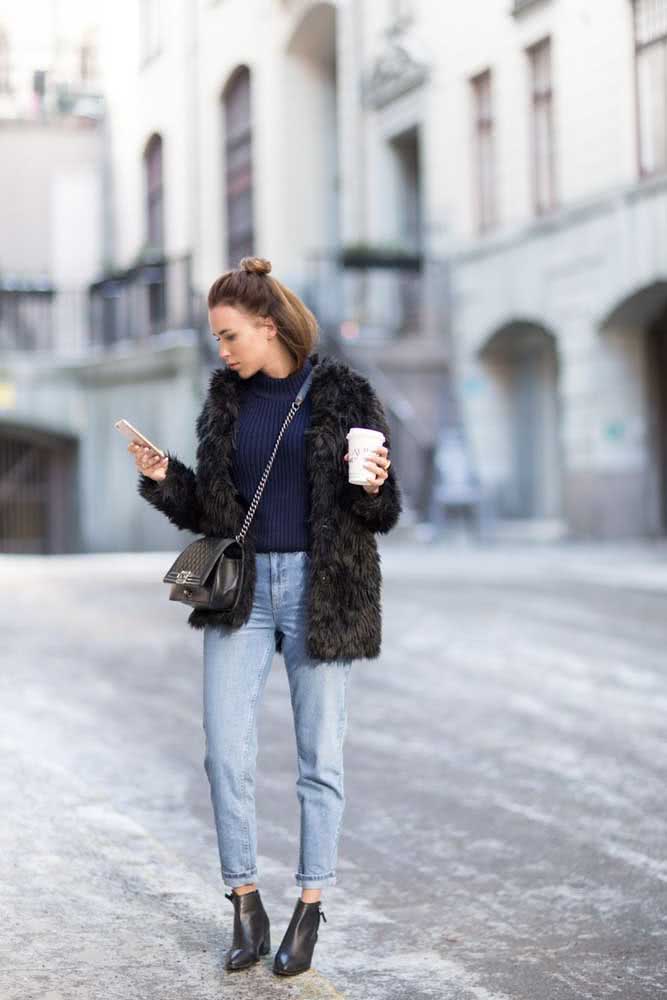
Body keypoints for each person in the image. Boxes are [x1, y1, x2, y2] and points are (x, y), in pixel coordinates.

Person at [128, 256, 402, 976]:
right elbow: (208, 514)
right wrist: (163, 478)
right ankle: (244, 898)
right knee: (226, 751)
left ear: (267, 325)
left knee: (321, 759)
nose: (221, 351)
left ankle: (310, 905)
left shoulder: (343, 395)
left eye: (228, 336)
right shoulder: (224, 402)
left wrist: (374, 485)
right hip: (241, 594)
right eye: (216, 339)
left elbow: (381, 510)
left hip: (321, 587)